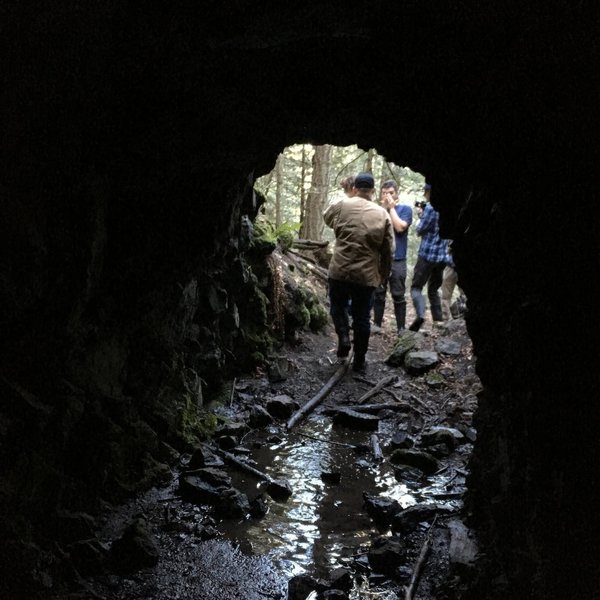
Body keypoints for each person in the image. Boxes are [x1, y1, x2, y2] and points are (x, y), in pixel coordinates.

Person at [323, 172, 394, 372]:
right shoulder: (382, 214)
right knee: (362, 317)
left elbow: (327, 218)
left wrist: (342, 227)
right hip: (365, 276)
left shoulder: (343, 205)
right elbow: (388, 250)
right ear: (372, 190)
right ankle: (360, 361)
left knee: (338, 307)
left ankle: (344, 337)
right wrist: (383, 274)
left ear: (355, 187)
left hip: (339, 271)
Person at [372, 180, 413, 334]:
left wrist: (391, 209)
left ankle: (401, 328)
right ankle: (376, 324)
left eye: (390, 193)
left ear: (397, 194)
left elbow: (400, 227)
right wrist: (383, 209)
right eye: (384, 193)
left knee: (398, 294)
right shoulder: (376, 210)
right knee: (379, 292)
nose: (387, 196)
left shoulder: (405, 209)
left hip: (398, 259)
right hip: (381, 259)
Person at [409, 183, 449, 331]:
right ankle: (438, 322)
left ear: (429, 192)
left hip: (427, 255)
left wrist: (420, 216)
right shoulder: (448, 207)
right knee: (433, 289)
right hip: (442, 258)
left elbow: (420, 229)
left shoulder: (432, 208)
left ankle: (420, 315)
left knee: (416, 287)